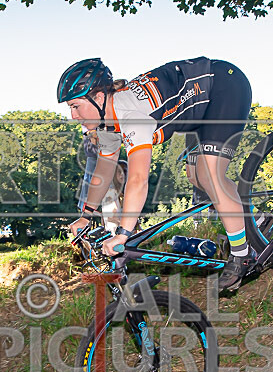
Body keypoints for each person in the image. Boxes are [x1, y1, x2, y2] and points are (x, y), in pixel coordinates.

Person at [60, 57, 255, 291]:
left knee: (209, 175)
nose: (73, 116)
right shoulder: (107, 121)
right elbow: (104, 168)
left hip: (223, 86)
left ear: (98, 97)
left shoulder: (130, 116)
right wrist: (86, 215)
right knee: (196, 175)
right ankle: (254, 223)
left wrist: (123, 233)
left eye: (75, 106)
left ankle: (243, 255)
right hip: (198, 108)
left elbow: (138, 179)